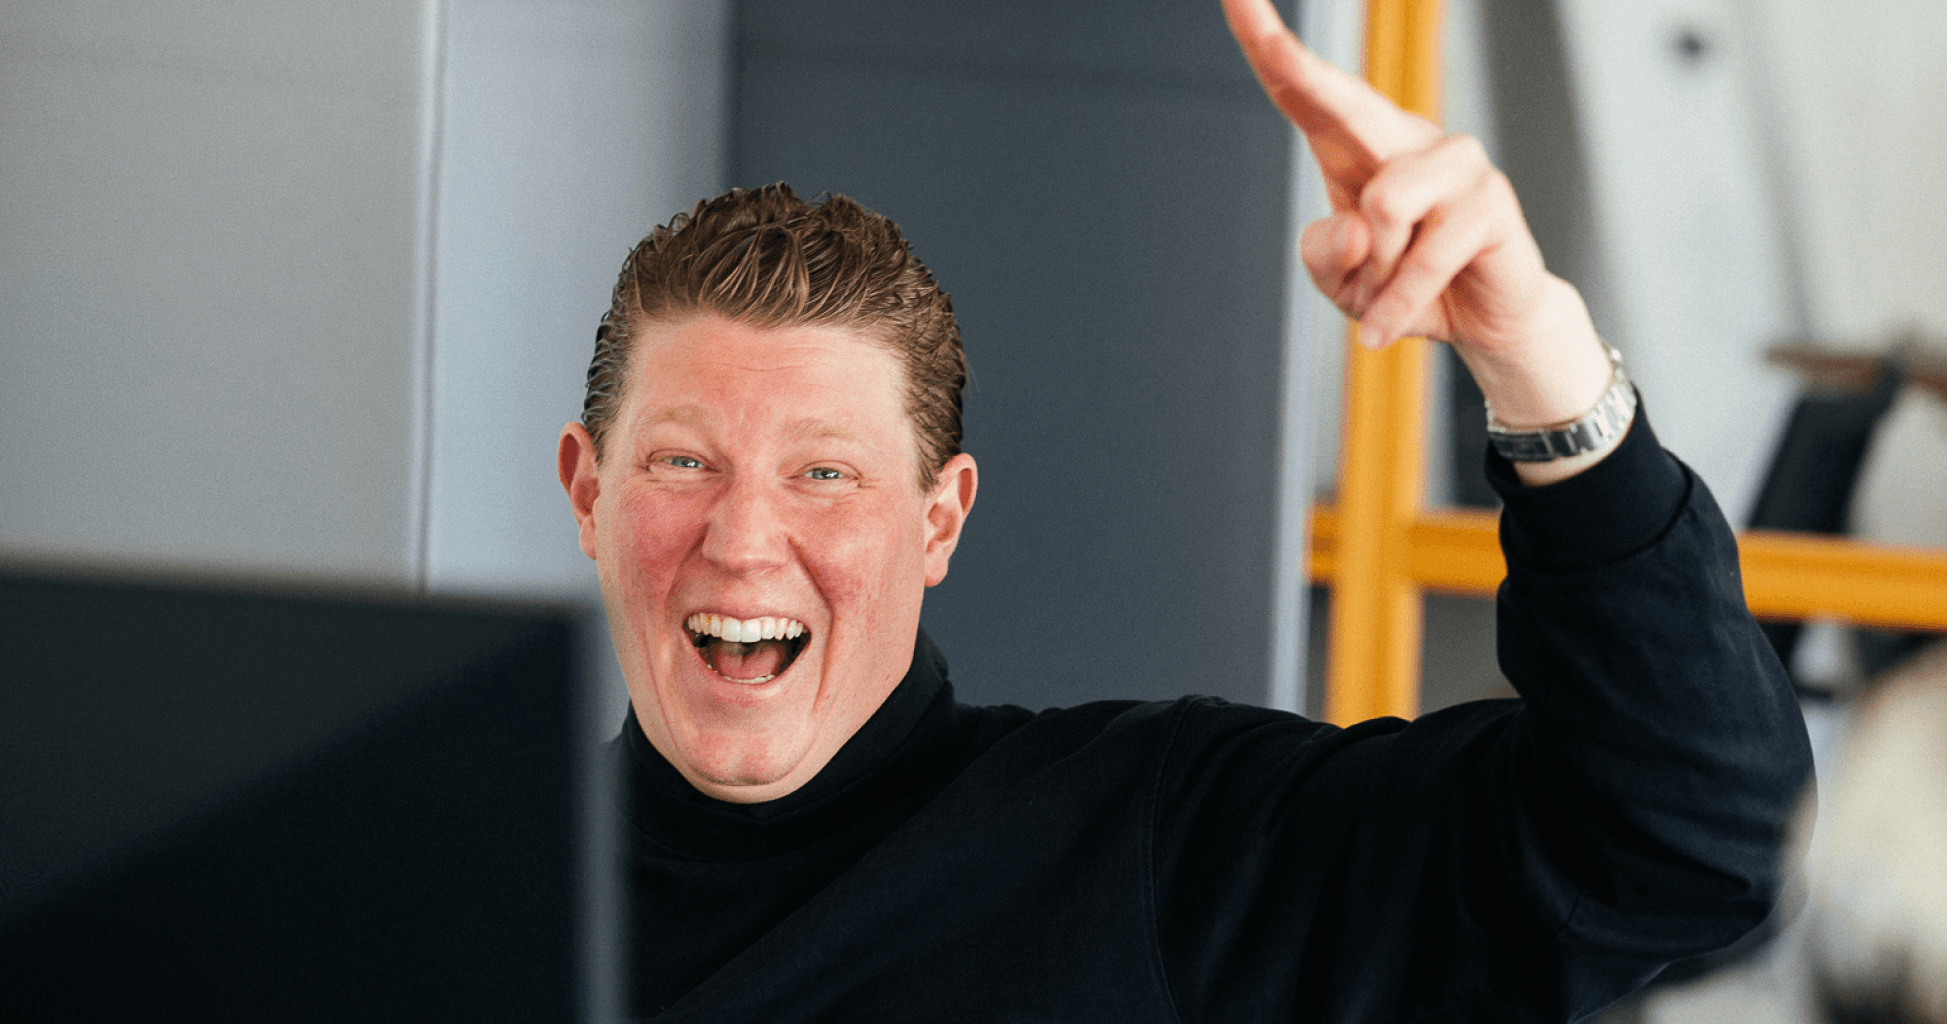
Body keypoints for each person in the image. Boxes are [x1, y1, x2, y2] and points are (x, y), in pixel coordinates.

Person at [554, 0, 1814, 1019]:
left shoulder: (1149, 851)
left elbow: (1692, 843)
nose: (742, 539)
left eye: (823, 472)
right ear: (588, 493)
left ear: (938, 521)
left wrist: (1531, 351)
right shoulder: (466, 876)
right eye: (683, 463)